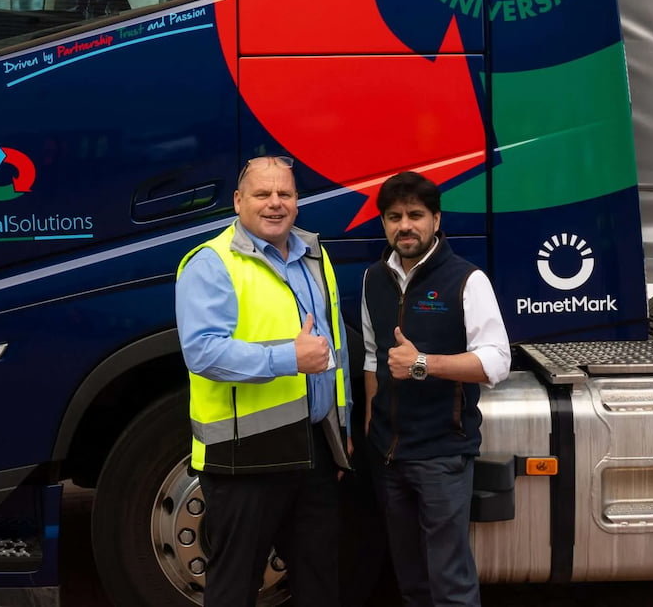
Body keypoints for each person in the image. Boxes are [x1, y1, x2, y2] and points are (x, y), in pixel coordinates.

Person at [175, 155, 352, 607]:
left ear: (297, 201)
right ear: (238, 201)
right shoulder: (212, 263)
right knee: (235, 586)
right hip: (243, 459)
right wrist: (287, 358)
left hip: (312, 448)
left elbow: (335, 348)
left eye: (285, 194)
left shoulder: (314, 253)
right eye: (262, 194)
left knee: (320, 583)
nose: (275, 203)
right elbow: (202, 353)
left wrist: (340, 429)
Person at [362, 171, 511, 607]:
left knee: (450, 584)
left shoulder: (467, 280)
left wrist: (424, 364)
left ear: (436, 219)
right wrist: (373, 421)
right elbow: (374, 356)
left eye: (415, 215)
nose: (404, 225)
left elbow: (497, 362)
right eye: (393, 217)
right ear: (384, 224)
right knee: (411, 582)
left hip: (442, 454)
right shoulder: (374, 279)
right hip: (389, 457)